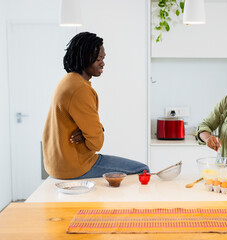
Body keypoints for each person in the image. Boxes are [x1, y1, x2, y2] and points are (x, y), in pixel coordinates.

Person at [42, 32, 149, 179]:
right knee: (143, 169)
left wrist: (87, 132)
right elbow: (96, 143)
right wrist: (90, 134)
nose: (103, 63)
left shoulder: (67, 81)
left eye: (103, 58)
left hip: (56, 164)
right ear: (85, 57)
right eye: (99, 59)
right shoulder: (80, 89)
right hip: (75, 166)